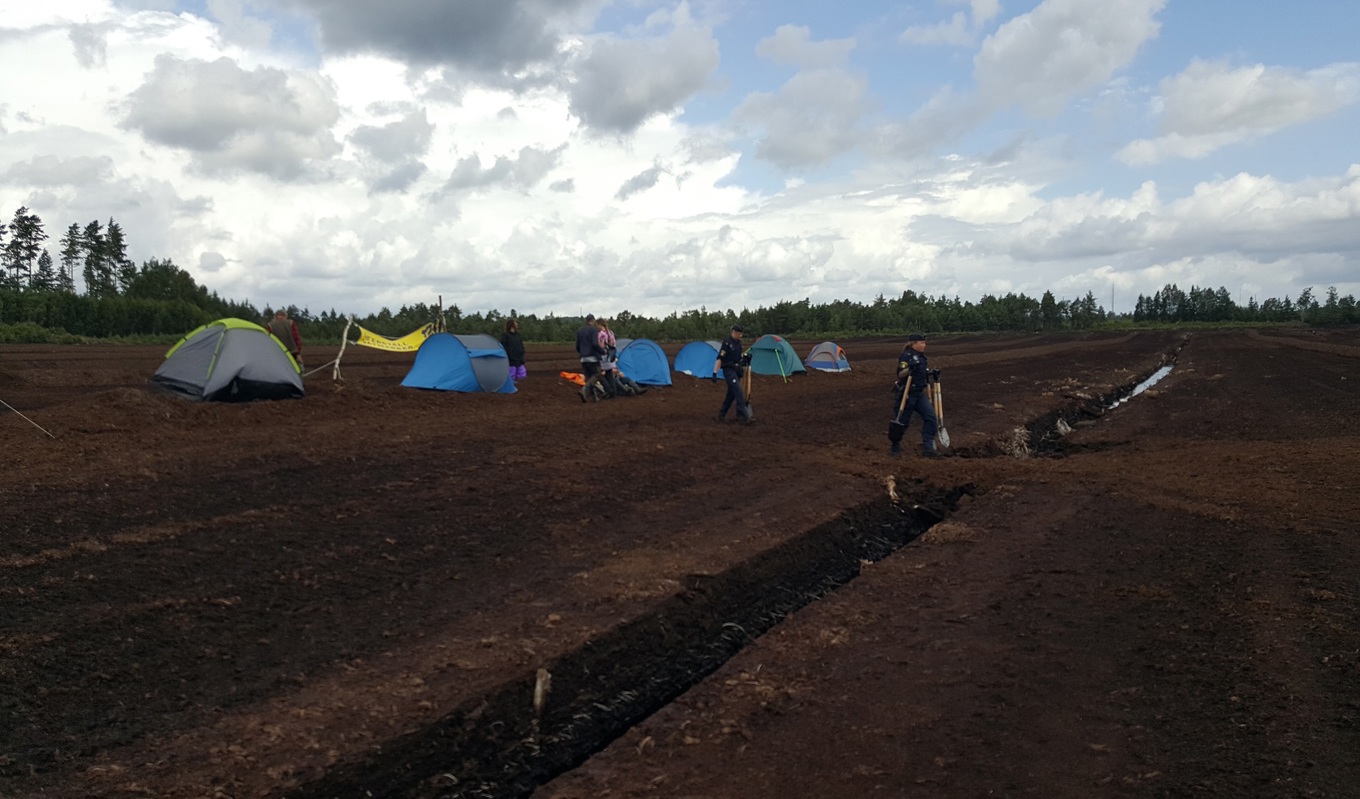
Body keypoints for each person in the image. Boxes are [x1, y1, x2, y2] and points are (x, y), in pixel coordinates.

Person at [888, 333, 938, 456]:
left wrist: (932, 374)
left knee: (931, 417)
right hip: (907, 393)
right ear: (914, 343)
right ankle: (895, 447)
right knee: (902, 421)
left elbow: (922, 374)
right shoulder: (907, 356)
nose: (924, 345)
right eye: (922, 343)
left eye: (924, 343)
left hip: (919, 394)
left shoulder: (922, 357)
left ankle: (928, 447)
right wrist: (910, 367)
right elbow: (900, 374)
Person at [714, 324, 752, 424]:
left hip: (736, 370)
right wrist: (715, 372)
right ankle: (744, 416)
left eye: (740, 334)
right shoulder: (727, 343)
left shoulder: (739, 343)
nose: (739, 335)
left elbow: (738, 357)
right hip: (728, 370)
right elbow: (720, 358)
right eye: (737, 333)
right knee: (738, 391)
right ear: (733, 332)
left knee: (731, 395)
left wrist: (744, 358)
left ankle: (721, 415)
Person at [575, 314, 606, 402]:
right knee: (597, 375)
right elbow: (595, 344)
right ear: (593, 320)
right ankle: (584, 389)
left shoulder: (580, 331)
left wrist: (582, 353)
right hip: (592, 357)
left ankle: (594, 397)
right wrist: (602, 352)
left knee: (588, 378)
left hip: (583, 358)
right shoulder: (593, 330)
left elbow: (577, 345)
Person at [597, 318, 621, 397]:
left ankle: (609, 390)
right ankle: (614, 392)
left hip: (604, 356)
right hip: (611, 355)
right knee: (609, 374)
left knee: (601, 374)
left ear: (600, 325)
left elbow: (602, 345)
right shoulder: (610, 332)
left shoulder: (601, 334)